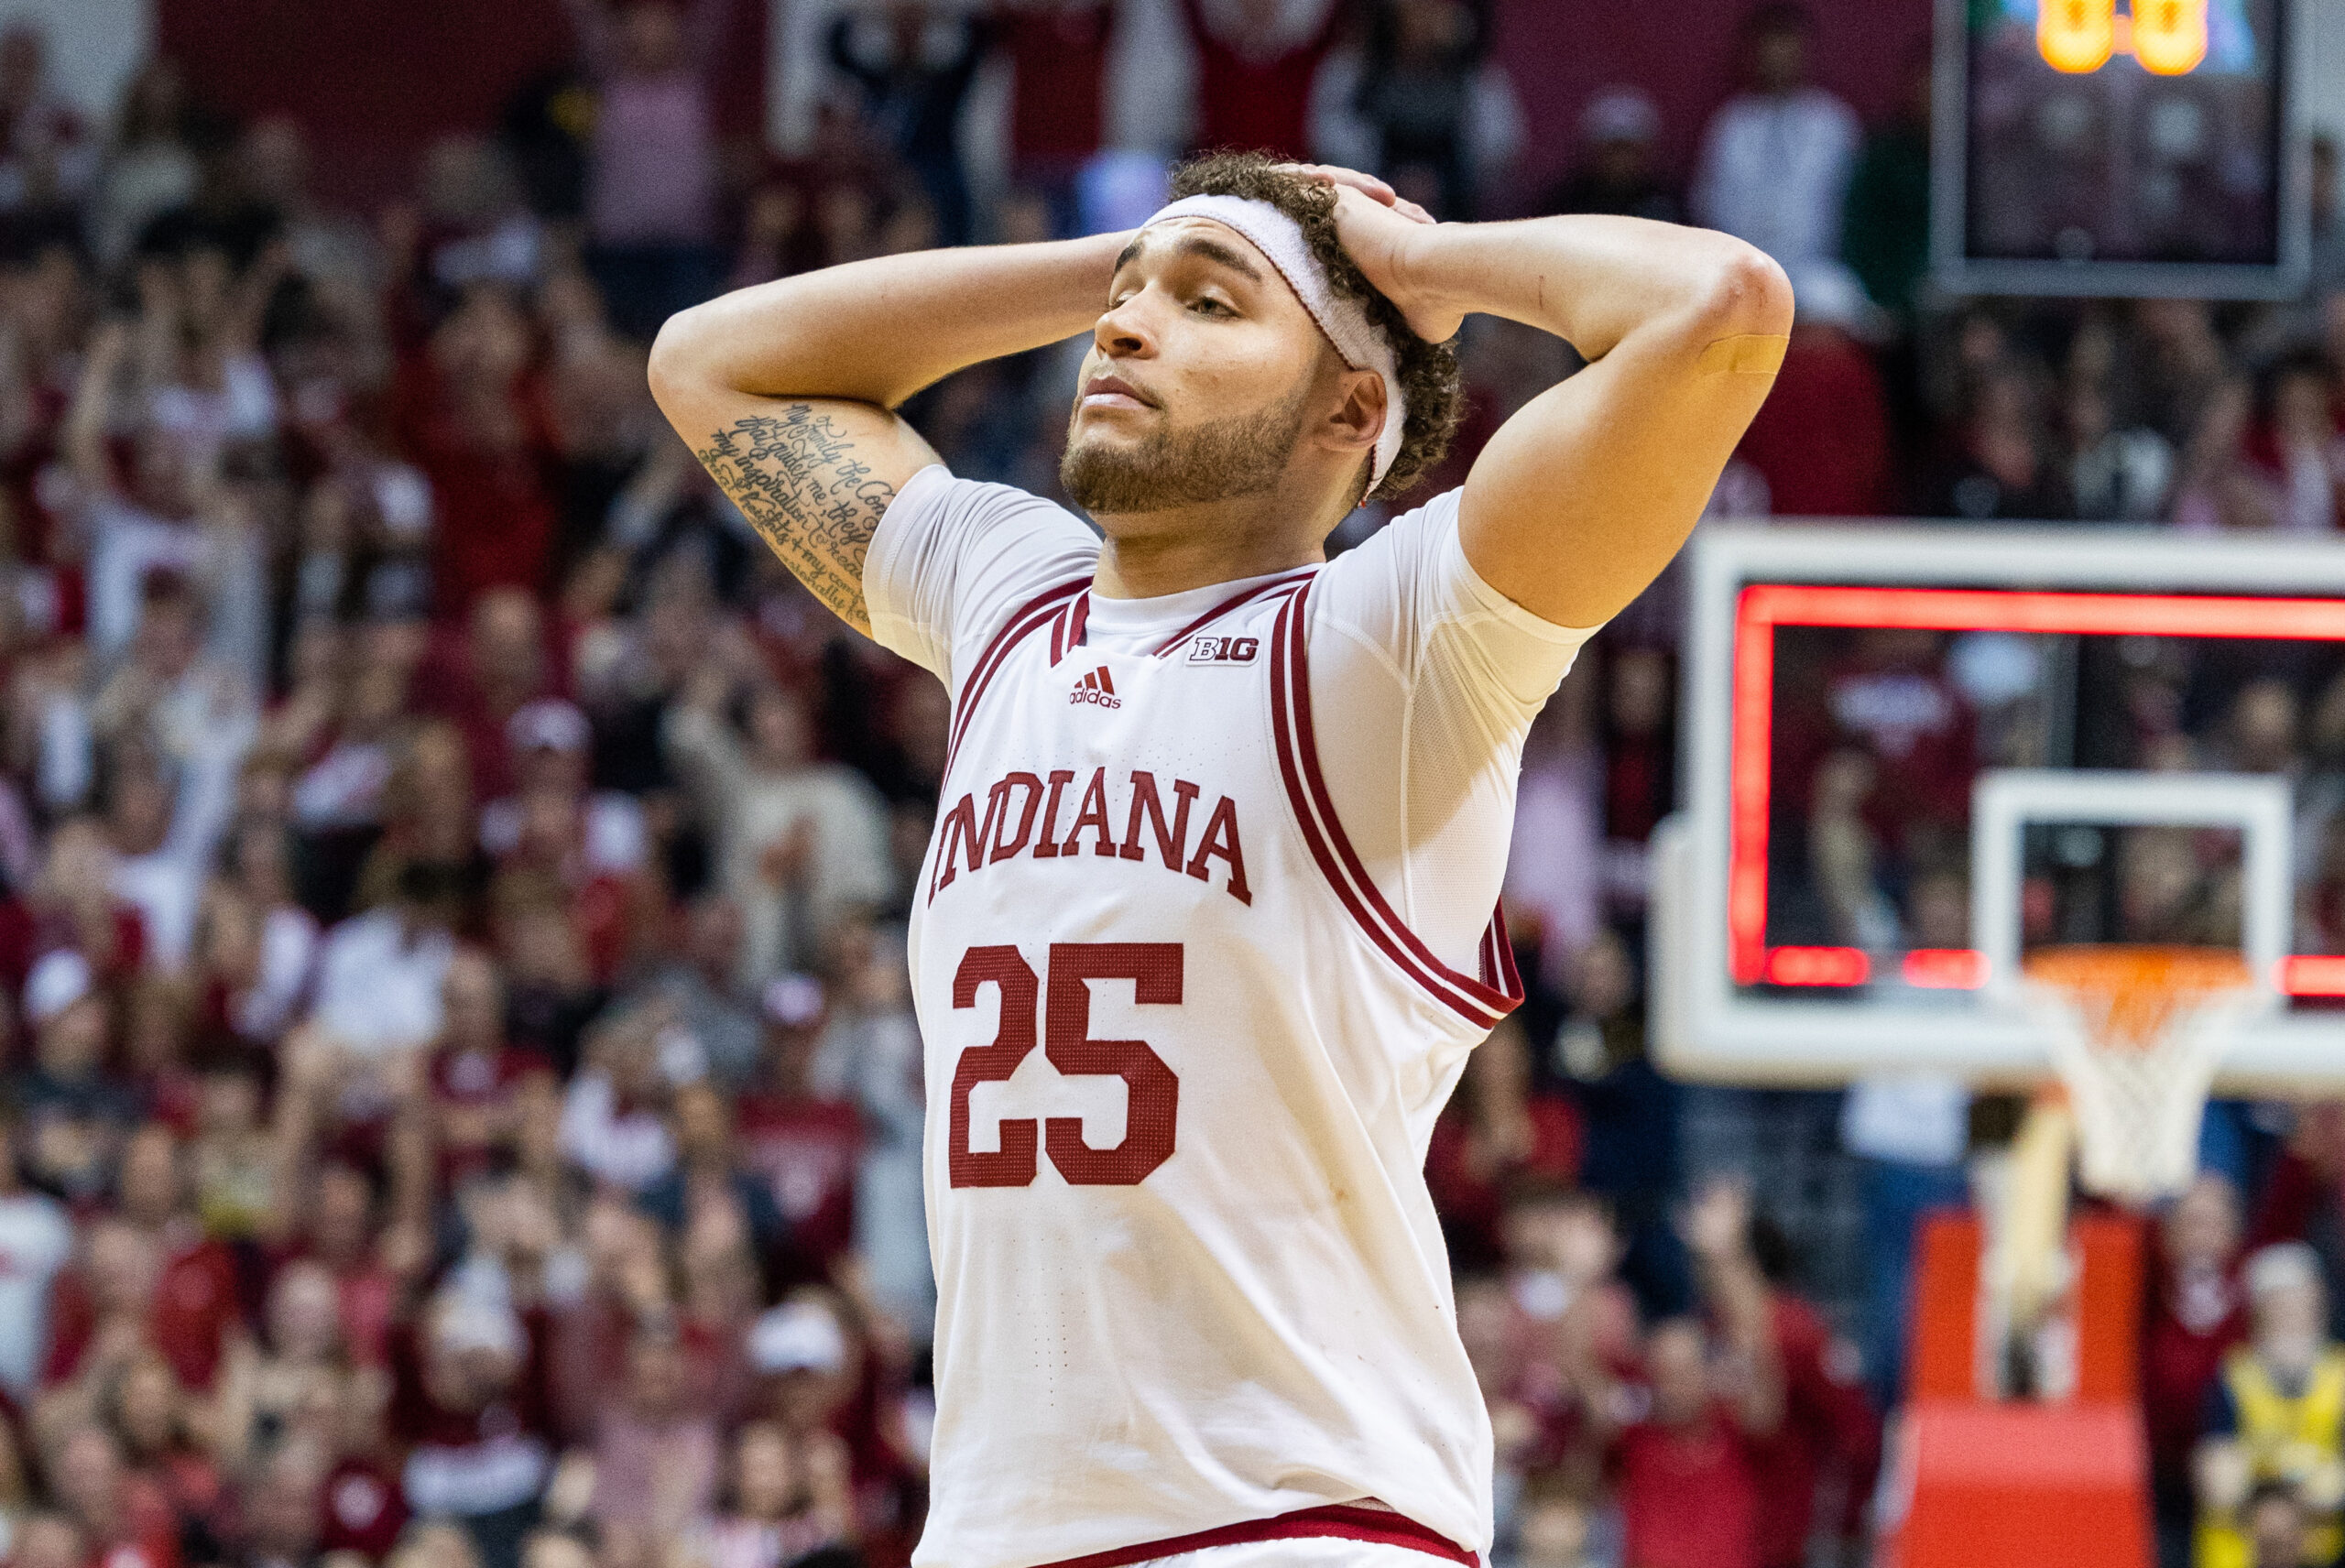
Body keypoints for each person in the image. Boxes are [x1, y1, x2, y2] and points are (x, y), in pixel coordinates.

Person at [650, 142, 1789, 1565]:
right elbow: (710, 363)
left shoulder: (1392, 640)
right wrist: (1140, 255)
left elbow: (1722, 308)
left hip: (1294, 1520)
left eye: (1212, 305)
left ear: (1348, 409)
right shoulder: (1005, 592)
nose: (1126, 329)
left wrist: (1415, 264)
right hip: (1001, 1529)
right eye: (1131, 301)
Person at [2195, 1243, 2345, 1568]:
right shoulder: (2234, 1377)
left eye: (2299, 1303)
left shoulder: (2340, 1375)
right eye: (2278, 1305)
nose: (2289, 1315)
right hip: (2243, 1550)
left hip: (2325, 1547)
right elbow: (2219, 1481)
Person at [1690, 4, 1860, 269]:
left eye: (1788, 46)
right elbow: (1709, 201)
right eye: (1771, 47)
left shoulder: (1833, 122)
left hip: (1816, 268)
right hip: (1741, 269)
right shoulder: (1731, 123)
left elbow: (1850, 203)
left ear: (1805, 51)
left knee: (1833, 301)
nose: (1779, 58)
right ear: (1753, 53)